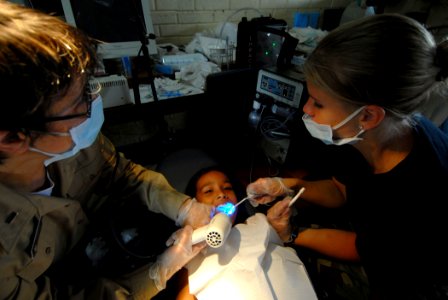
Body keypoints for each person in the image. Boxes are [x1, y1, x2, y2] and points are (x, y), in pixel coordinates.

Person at [0, 2, 213, 299]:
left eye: (88, 89)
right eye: (78, 103)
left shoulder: (68, 142)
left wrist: (182, 207)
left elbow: (121, 173)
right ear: (11, 138)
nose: (93, 105)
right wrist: (156, 274)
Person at [247, 13, 448, 300]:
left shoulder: (418, 187)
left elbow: (364, 248)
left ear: (368, 114)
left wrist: (291, 236)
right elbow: (343, 191)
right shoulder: (357, 135)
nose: (306, 110)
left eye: (318, 103)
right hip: (373, 236)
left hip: (406, 276)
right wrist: (285, 184)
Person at [175, 165, 317, 300]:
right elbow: (188, 291)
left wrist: (282, 232)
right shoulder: (190, 246)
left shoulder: (259, 222)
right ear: (192, 206)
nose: (222, 194)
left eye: (227, 188)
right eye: (208, 191)